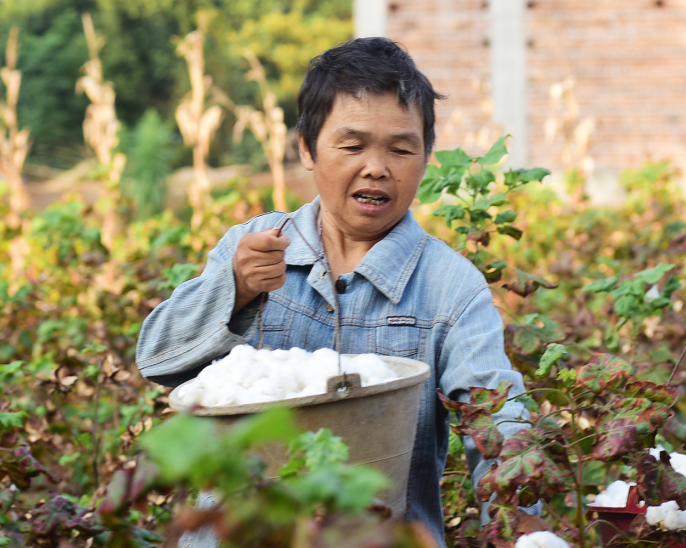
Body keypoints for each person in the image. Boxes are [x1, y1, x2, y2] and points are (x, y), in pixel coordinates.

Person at [136, 37, 530, 547]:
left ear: (427, 156)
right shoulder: (255, 247)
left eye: (401, 148)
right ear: (306, 147)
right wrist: (234, 289)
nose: (377, 167)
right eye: (352, 145)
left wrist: (523, 518)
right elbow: (158, 361)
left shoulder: (450, 288)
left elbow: (496, 414)